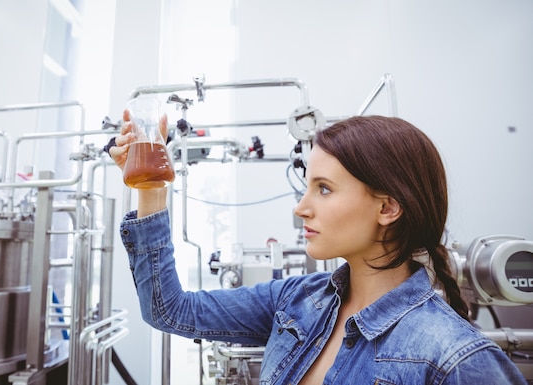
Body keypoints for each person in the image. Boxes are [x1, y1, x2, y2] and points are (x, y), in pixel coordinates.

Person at [109, 111, 527, 385]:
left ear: (387, 207)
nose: (301, 207)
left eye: (323, 189)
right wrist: (152, 189)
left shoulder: (453, 358)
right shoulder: (295, 301)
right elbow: (169, 310)